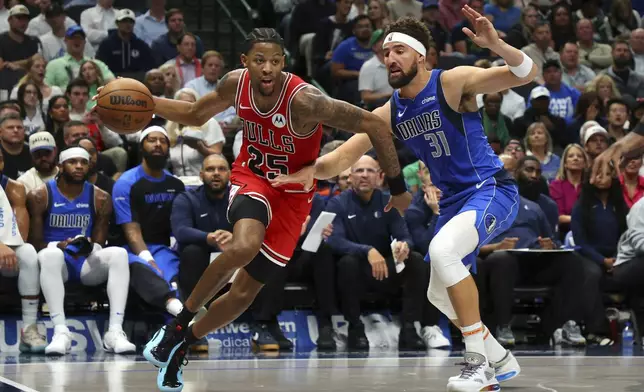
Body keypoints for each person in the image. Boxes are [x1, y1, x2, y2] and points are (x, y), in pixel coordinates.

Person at [271, 10, 538, 392]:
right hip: (452, 204)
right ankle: (497, 355)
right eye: (385, 52)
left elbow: (525, 74)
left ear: (421, 56)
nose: (390, 58)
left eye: (399, 50)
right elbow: (341, 158)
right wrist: (305, 171)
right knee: (437, 292)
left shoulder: (452, 81)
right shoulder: (388, 112)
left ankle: (477, 364)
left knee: (443, 253)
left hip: (489, 189)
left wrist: (495, 45)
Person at [134, 27, 406, 392]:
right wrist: (145, 102)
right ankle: (179, 324)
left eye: (275, 61)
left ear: (283, 63)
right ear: (245, 62)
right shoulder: (235, 84)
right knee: (244, 246)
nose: (267, 69)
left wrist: (399, 185)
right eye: (259, 60)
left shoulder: (306, 100)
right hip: (253, 177)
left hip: (294, 193)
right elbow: (196, 113)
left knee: (246, 293)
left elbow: (373, 123)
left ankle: (182, 343)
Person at [27, 147, 135, 355]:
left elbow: (99, 242)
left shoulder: (101, 197)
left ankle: (114, 331)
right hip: (56, 263)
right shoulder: (40, 195)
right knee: (51, 255)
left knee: (119, 254)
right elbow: (35, 242)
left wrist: (88, 245)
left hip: (85, 263)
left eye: (83, 162)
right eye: (72, 162)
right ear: (60, 166)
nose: (78, 166)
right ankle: (61, 332)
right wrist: (59, 245)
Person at [0, 148, 45, 353]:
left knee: (27, 252)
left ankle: (29, 328)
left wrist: (8, 245)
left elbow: (21, 233)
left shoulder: (14, 188)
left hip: (5, 251)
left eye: (0, 159)